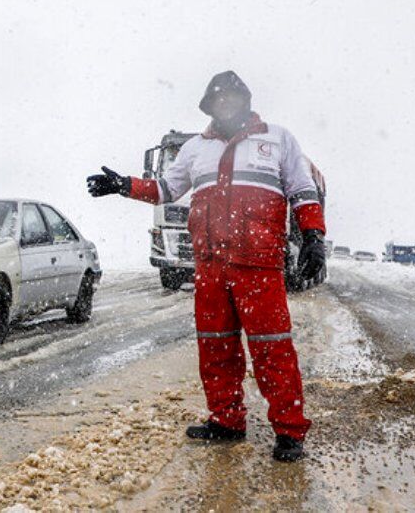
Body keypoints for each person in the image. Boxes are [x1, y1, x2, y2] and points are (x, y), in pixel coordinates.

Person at [86, 70, 326, 462]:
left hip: (259, 265)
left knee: (272, 349)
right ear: (209, 105)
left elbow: (301, 190)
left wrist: (314, 237)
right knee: (216, 347)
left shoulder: (278, 138)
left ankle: (289, 431)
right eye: (218, 99)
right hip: (211, 265)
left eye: (231, 97)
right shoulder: (195, 148)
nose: (225, 103)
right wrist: (123, 185)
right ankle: (227, 422)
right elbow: (167, 189)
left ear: (245, 99)